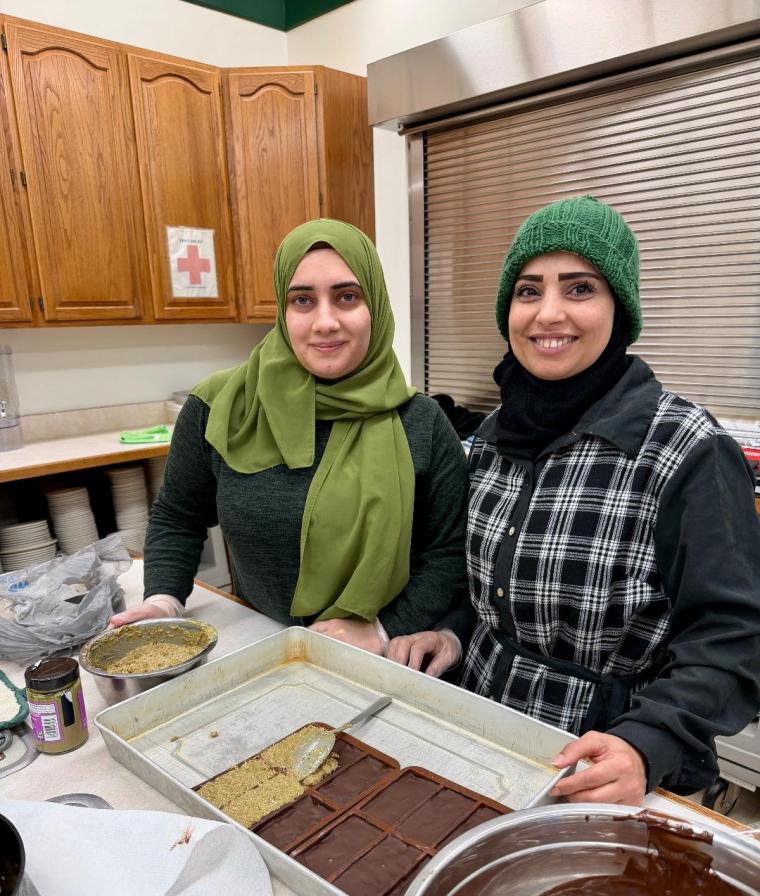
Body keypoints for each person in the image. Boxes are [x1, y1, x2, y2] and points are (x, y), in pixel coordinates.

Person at [389, 196, 760, 805]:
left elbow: (736, 636)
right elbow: (491, 589)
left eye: (580, 288)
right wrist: (452, 634)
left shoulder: (686, 450)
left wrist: (648, 742)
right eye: (528, 291)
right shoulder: (494, 437)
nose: (548, 313)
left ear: (620, 308)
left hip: (603, 766)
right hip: (480, 737)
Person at [111, 219, 468, 653]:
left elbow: (449, 553)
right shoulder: (220, 407)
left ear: (375, 304)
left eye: (347, 297)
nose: (325, 322)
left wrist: (382, 629)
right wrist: (163, 600)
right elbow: (179, 516)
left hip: (377, 656)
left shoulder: (422, 423)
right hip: (258, 641)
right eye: (302, 300)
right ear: (283, 311)